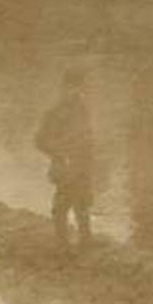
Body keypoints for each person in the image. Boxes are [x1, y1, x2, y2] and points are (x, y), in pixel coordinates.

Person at [35, 67, 95, 252]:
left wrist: (90, 157)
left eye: (79, 88)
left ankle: (85, 241)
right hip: (65, 165)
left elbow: (87, 137)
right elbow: (39, 140)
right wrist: (59, 153)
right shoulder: (55, 113)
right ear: (65, 88)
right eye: (72, 88)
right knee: (62, 205)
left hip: (82, 164)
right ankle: (62, 244)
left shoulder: (82, 109)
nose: (76, 92)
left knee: (83, 203)